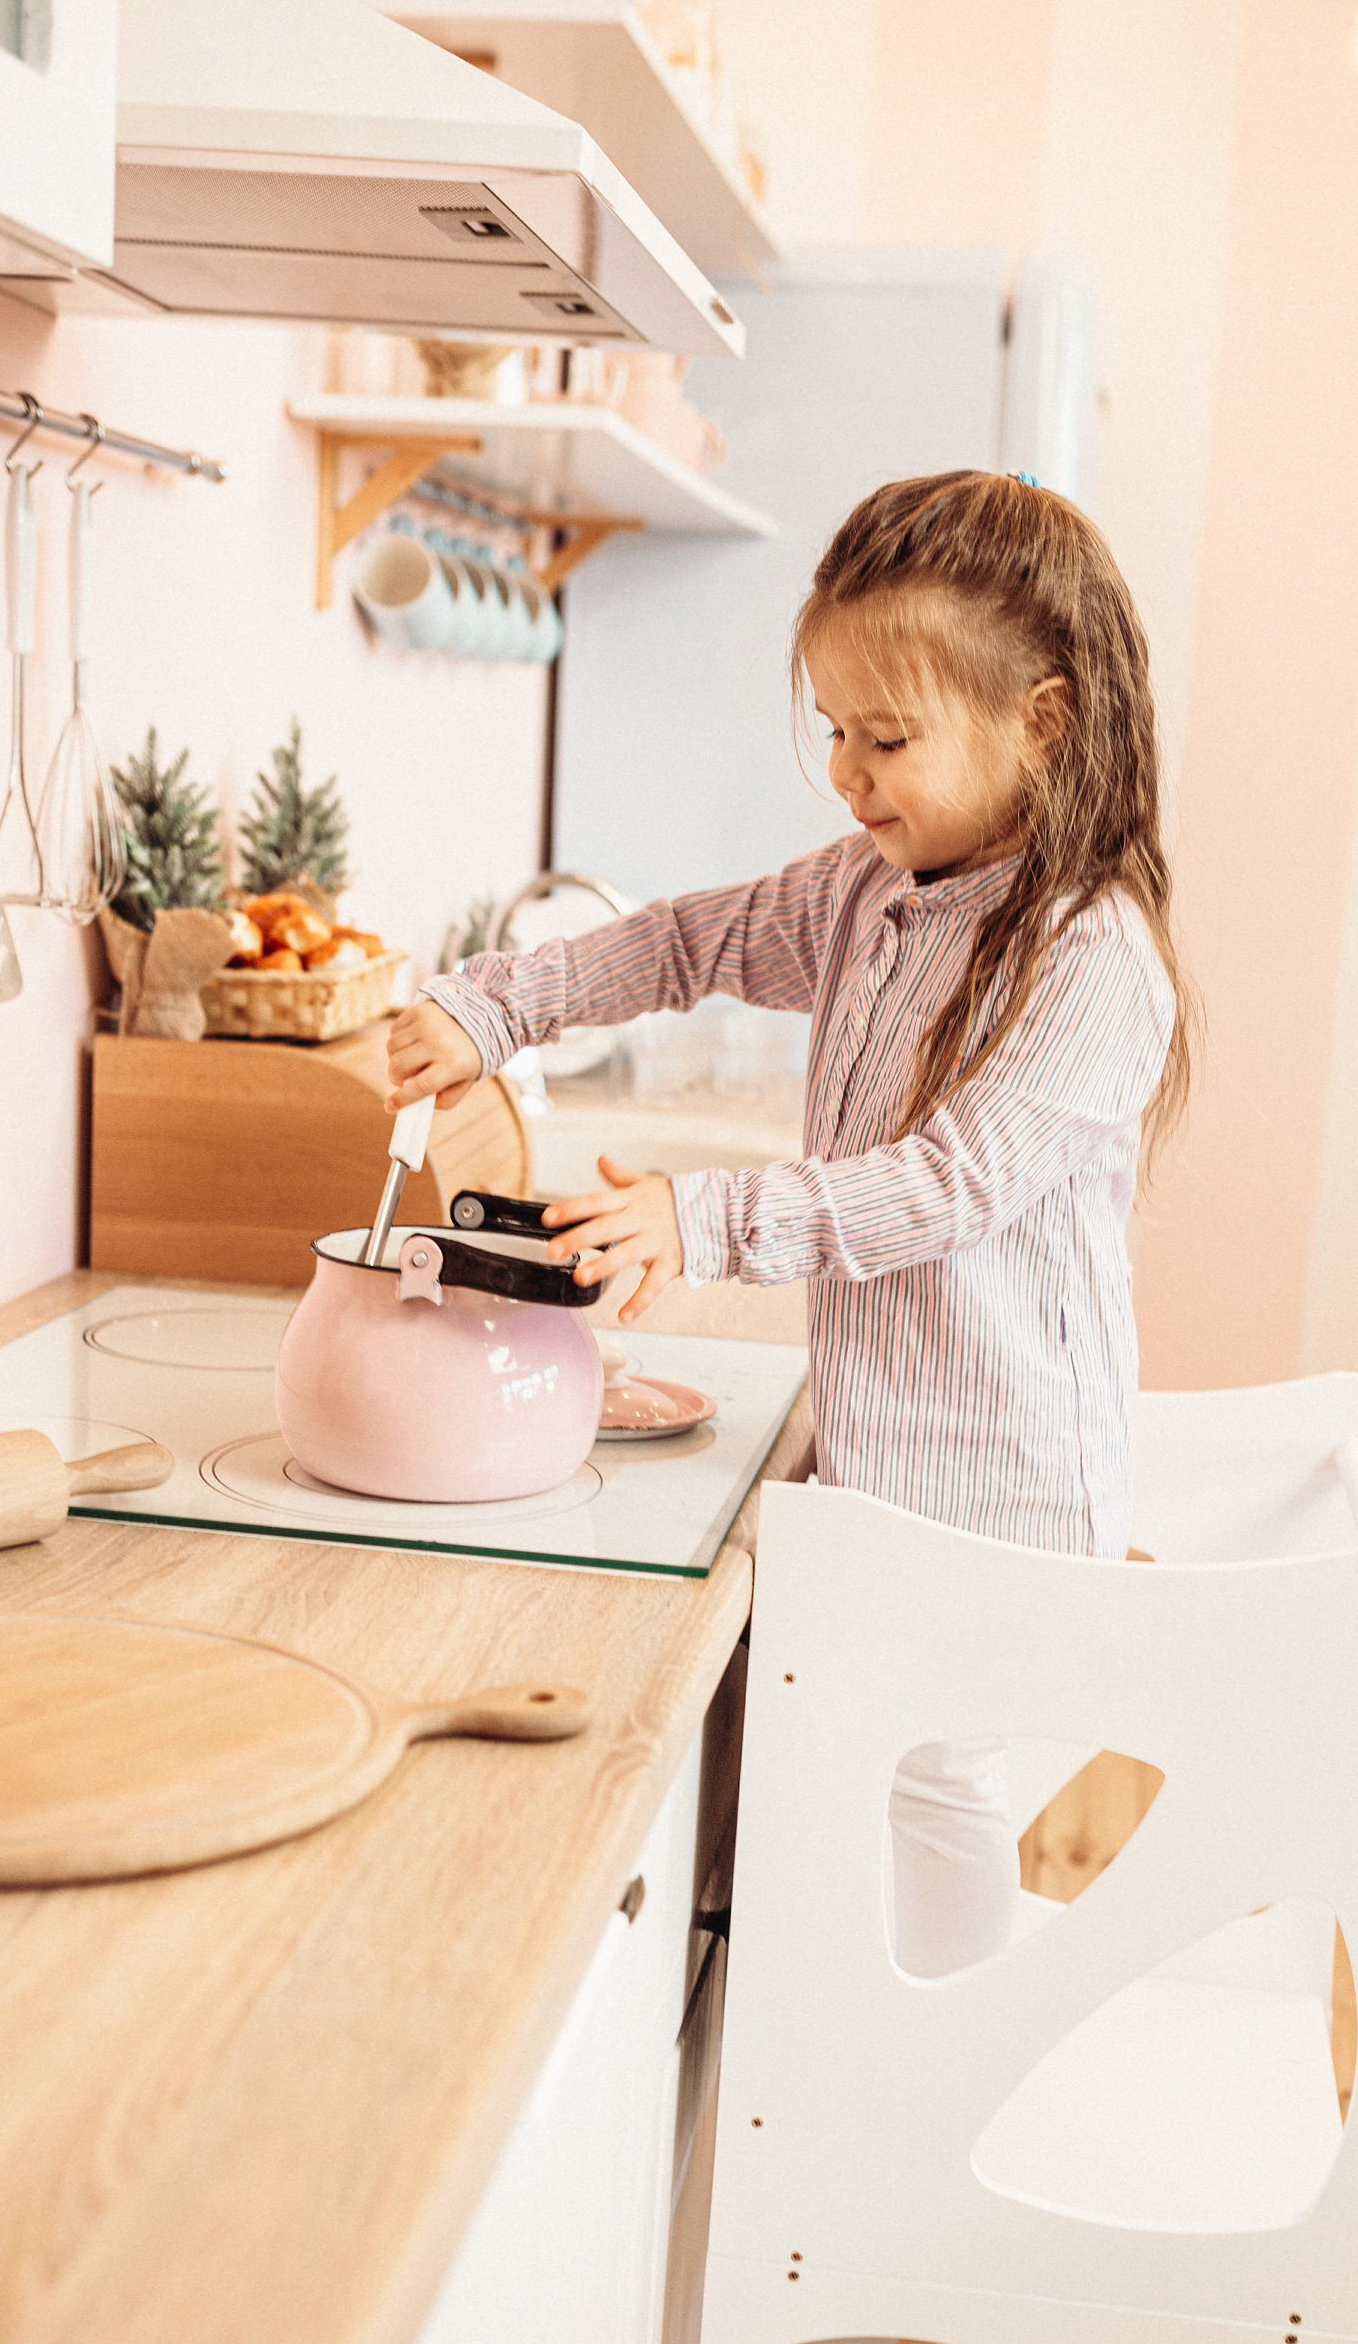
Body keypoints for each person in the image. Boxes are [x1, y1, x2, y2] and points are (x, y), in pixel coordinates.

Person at [386, 469, 1194, 1977]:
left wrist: (706, 1221)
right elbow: (687, 941)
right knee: (874, 1776)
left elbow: (947, 1187)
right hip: (887, 1469)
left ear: (1047, 720)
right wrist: (492, 1005)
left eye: (887, 738)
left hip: (1003, 1488)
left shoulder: (1096, 954)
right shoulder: (871, 890)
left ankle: (923, 2075)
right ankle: (839, 2035)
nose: (847, 772)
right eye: (832, 728)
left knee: (934, 1780)